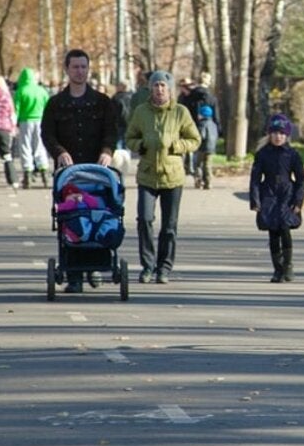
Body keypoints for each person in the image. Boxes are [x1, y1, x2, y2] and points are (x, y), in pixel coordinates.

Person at [42, 49, 120, 293]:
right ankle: (74, 274)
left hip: (97, 173)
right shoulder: (56, 103)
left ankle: (95, 265)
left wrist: (107, 151)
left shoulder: (102, 102)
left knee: (98, 213)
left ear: (89, 69)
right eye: (75, 67)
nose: (80, 71)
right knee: (73, 218)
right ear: (67, 69)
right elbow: (47, 134)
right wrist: (59, 152)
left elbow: (111, 132)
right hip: (69, 174)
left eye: (83, 67)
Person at [126, 70, 200, 284]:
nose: (159, 89)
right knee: (145, 220)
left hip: (172, 176)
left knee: (169, 226)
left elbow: (194, 139)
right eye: (156, 85)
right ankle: (147, 266)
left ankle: (164, 268)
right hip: (148, 175)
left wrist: (177, 146)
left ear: (170, 89)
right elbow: (130, 137)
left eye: (163, 86)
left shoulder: (180, 112)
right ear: (150, 88)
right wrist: (140, 145)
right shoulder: (141, 112)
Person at [250, 113, 304, 282]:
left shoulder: (292, 154)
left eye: (282, 133)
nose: (278, 137)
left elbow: (301, 179)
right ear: (269, 134)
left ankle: (288, 266)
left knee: (285, 228)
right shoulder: (262, 154)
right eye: (275, 133)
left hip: (286, 195)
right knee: (273, 232)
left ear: (287, 135)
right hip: (268, 194)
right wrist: (255, 200)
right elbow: (255, 179)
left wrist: (298, 201)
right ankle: (277, 268)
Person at [12, 67, 52, 189]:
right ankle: (44, 172)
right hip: (40, 120)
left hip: (25, 121)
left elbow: (16, 109)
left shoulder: (20, 91)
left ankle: (27, 174)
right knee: (40, 146)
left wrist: (14, 124)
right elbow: (48, 107)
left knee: (25, 147)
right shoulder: (42, 91)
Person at [179, 77, 219, 189]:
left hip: (199, 142)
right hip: (211, 147)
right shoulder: (212, 98)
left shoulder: (190, 98)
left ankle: (198, 179)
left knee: (198, 163)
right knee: (208, 164)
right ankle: (208, 182)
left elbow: (200, 135)